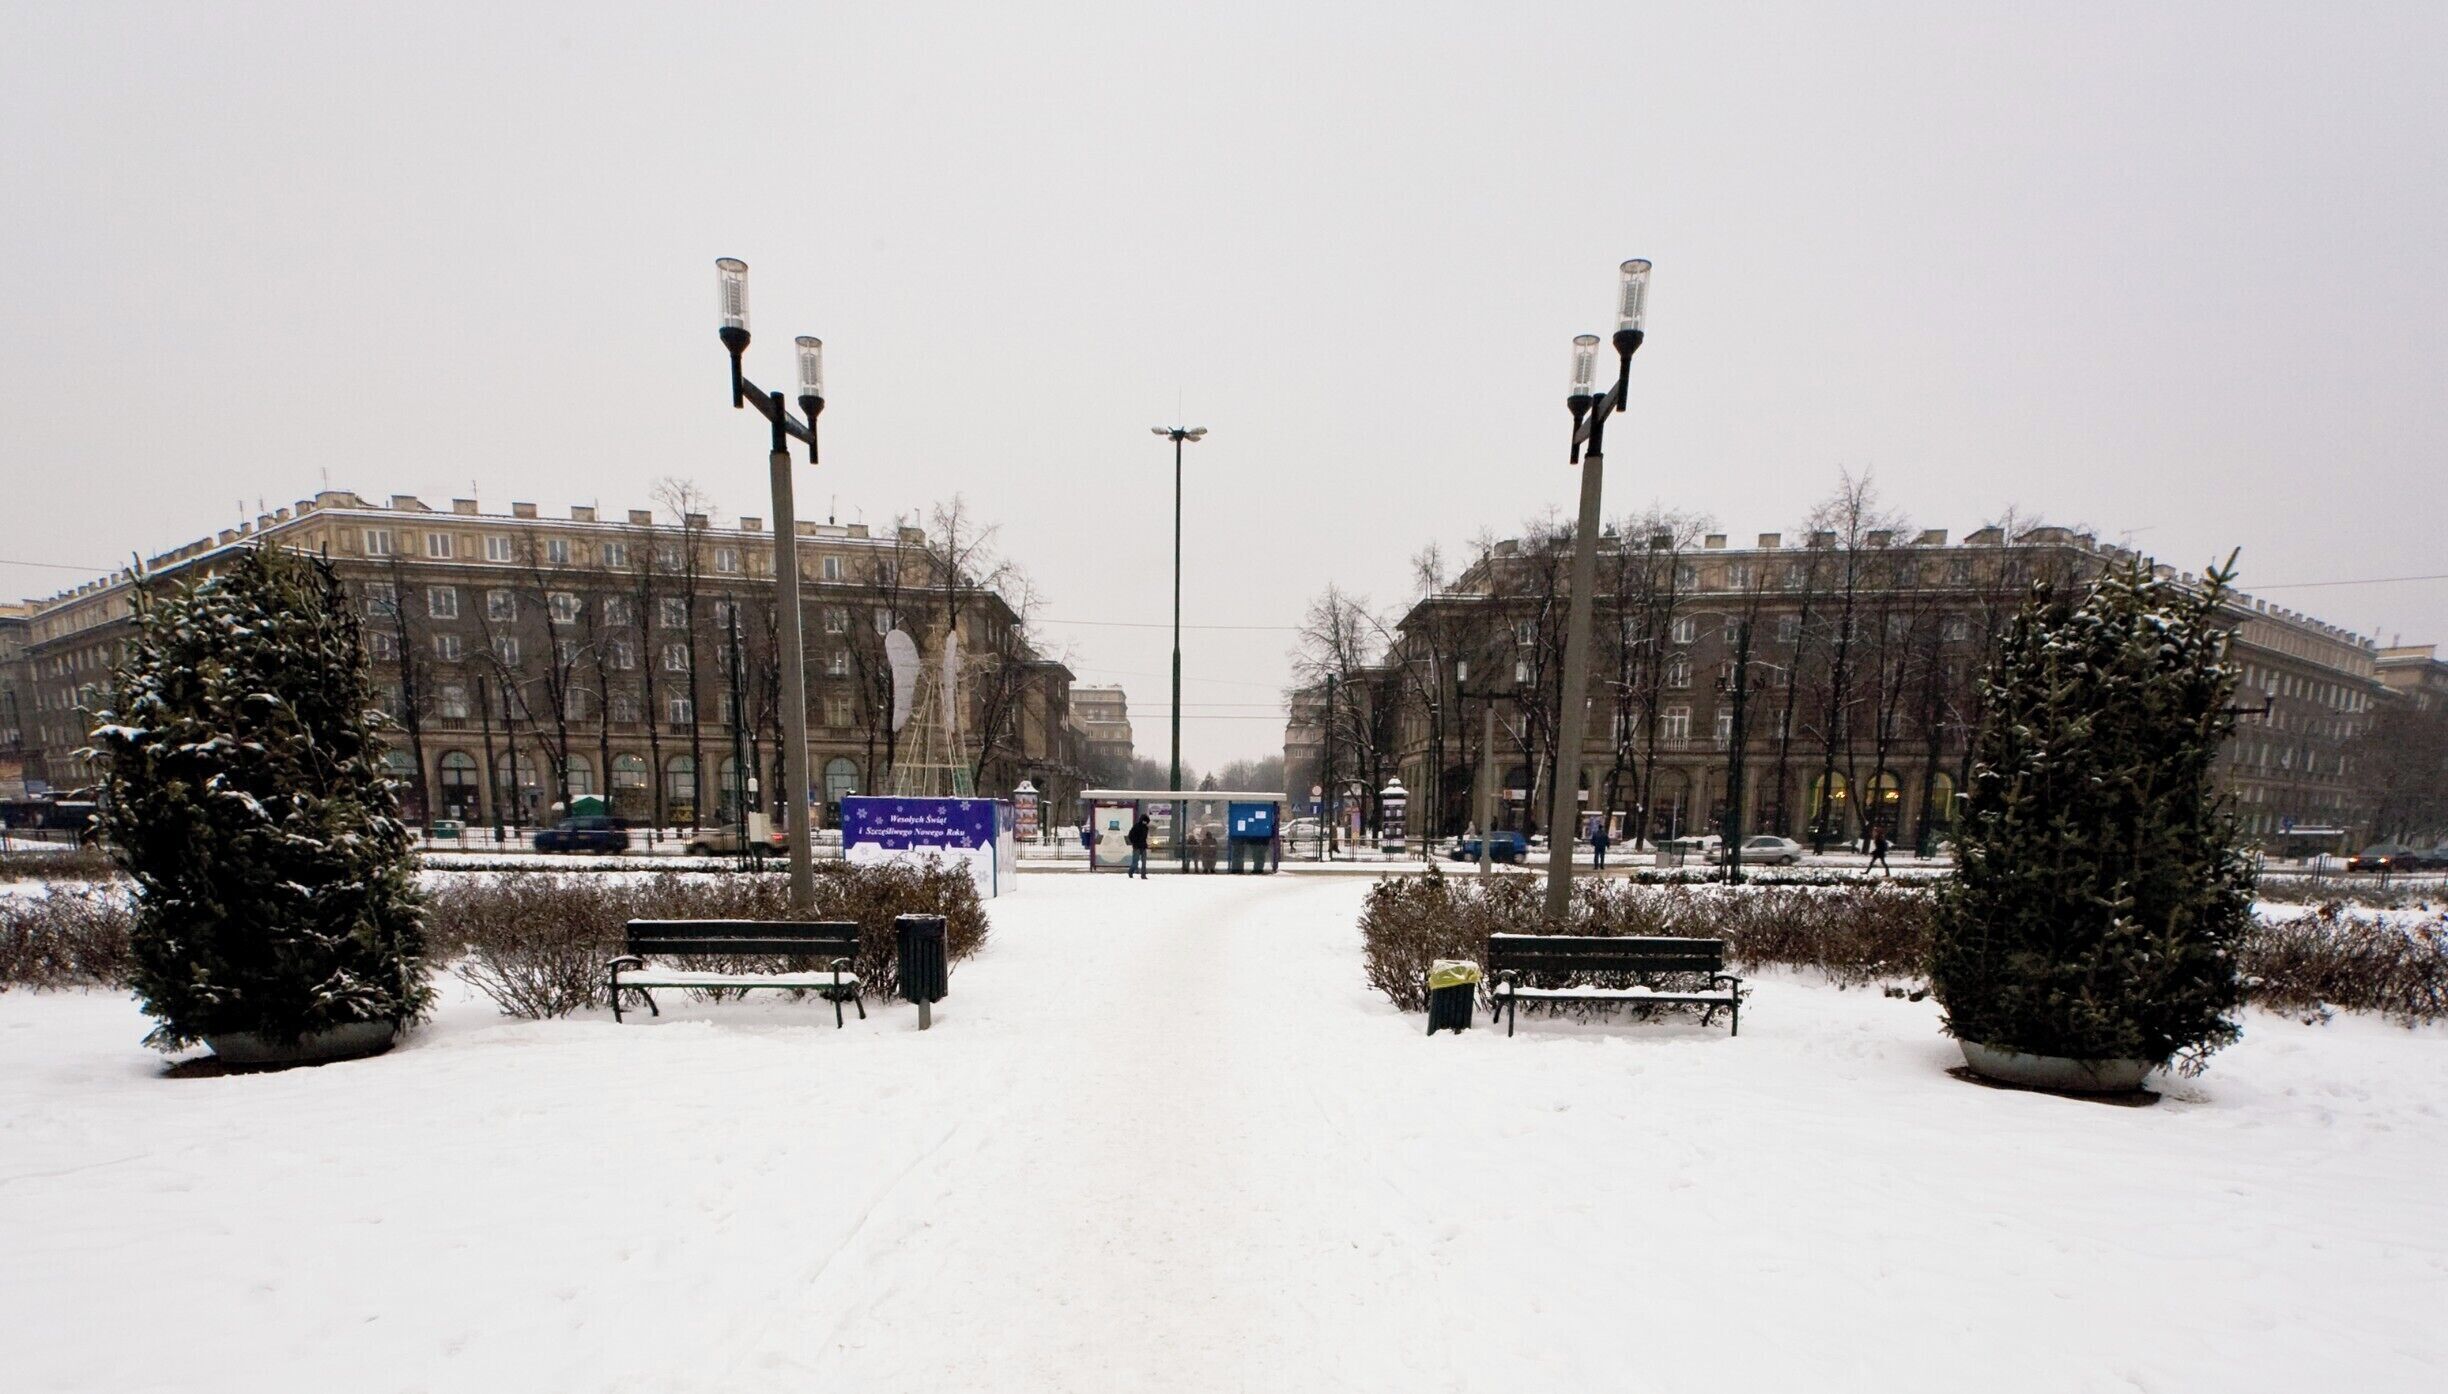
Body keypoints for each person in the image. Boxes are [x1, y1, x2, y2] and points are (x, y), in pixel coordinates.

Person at [1126, 811, 1151, 879]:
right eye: (1144, 821)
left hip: (1143, 846)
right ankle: (1131, 871)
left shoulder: (1146, 828)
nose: (1145, 822)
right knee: (1135, 862)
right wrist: (1134, 842)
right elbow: (1130, 835)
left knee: (1144, 862)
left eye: (1146, 821)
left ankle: (1143, 875)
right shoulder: (1136, 826)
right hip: (1136, 846)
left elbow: (1144, 837)